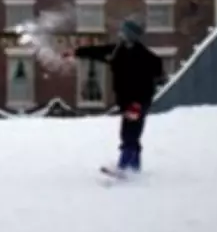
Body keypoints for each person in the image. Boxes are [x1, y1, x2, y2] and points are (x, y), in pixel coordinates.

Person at [65, 18, 164, 174]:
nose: (120, 35)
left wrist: (138, 103)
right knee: (131, 134)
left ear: (131, 35)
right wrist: (77, 52)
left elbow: (154, 75)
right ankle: (134, 168)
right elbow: (99, 51)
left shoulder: (144, 56)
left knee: (129, 134)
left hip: (138, 101)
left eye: (124, 32)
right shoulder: (119, 50)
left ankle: (124, 167)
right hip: (126, 101)